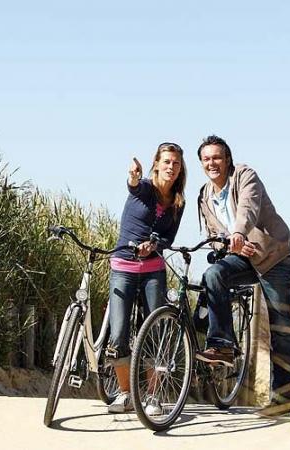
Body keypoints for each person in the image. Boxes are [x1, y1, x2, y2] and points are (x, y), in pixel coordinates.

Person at [195, 135, 290, 416]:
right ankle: (223, 344)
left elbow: (248, 208)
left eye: (216, 157)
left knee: (281, 327)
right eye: (206, 159)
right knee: (213, 274)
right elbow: (214, 235)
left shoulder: (245, 175)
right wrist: (227, 243)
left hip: (274, 258)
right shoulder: (204, 195)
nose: (211, 163)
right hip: (242, 258)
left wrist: (239, 233)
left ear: (227, 159)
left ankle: (284, 398)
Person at [106, 142, 186, 414]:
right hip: (123, 267)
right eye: (166, 162)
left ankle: (153, 397)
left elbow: (169, 237)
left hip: (153, 270)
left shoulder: (178, 201)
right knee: (118, 335)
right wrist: (133, 176)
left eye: (175, 163)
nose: (171, 167)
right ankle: (125, 394)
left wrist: (155, 244)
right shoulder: (144, 189)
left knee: (155, 333)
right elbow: (133, 186)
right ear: (156, 164)